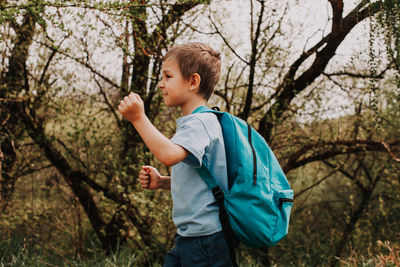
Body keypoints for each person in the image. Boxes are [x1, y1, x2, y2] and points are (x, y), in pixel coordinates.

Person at [118, 42, 234, 266]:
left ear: (193, 81)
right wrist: (162, 182)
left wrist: (137, 118)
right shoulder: (197, 123)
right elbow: (201, 182)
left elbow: (168, 156)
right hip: (190, 237)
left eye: (168, 76)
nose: (161, 84)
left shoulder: (200, 122)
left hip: (206, 240)